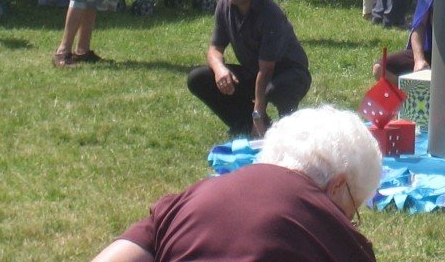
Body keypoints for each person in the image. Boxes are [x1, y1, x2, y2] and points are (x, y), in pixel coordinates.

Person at [90, 106, 380, 262]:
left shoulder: (188, 200)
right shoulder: (340, 238)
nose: (349, 224)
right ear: (337, 186)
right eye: (352, 212)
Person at [187, 0, 311, 137]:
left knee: (275, 90)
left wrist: (257, 113)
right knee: (198, 78)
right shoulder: (223, 6)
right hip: (255, 72)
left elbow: (267, 70)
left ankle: (289, 132)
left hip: (289, 73)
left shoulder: (271, 14)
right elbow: (215, 49)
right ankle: (249, 126)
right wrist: (220, 69)